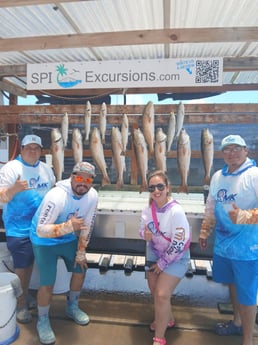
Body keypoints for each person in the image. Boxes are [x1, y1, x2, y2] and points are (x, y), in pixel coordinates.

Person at [30, 161, 98, 345]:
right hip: (44, 239)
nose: (82, 183)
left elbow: (88, 224)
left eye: (88, 179)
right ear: (71, 177)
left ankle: (72, 307)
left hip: (67, 237)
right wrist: (68, 226)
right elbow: (40, 230)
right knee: (47, 282)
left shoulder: (92, 196)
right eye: (79, 178)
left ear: (92, 182)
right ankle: (43, 320)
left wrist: (82, 251)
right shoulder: (57, 195)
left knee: (80, 269)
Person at [199, 134, 258, 345]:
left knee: (248, 294)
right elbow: (211, 206)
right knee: (232, 284)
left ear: (246, 150)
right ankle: (237, 323)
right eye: (227, 149)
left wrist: (246, 216)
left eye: (236, 148)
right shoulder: (217, 176)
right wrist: (205, 231)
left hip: (248, 249)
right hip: (224, 246)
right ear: (222, 154)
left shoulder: (254, 174)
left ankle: (248, 340)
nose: (232, 153)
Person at [0, 134, 56, 323]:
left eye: (36, 148)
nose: (32, 151)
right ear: (21, 149)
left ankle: (24, 296)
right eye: (28, 147)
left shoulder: (46, 169)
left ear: (41, 151)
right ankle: (20, 305)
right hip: (19, 228)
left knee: (32, 265)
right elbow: (2, 198)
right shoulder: (11, 168)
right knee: (22, 268)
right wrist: (14, 188)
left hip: (41, 228)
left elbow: (53, 192)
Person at [139, 170, 191, 345]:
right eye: (152, 187)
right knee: (156, 293)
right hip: (154, 253)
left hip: (176, 257)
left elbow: (179, 241)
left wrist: (162, 263)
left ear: (168, 188)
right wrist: (144, 234)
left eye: (160, 186)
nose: (156, 190)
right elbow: (142, 230)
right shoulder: (147, 210)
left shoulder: (176, 211)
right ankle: (167, 318)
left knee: (161, 294)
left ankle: (159, 338)